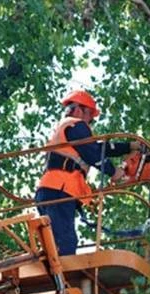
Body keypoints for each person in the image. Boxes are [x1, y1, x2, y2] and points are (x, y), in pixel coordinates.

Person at [35, 90, 142, 256]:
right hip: (59, 190)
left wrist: (129, 147)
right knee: (66, 242)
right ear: (80, 110)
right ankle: (63, 279)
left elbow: (99, 148)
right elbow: (92, 154)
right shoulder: (76, 125)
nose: (90, 122)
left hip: (51, 190)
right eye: (90, 116)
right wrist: (114, 172)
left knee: (55, 243)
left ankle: (56, 276)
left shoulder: (67, 129)